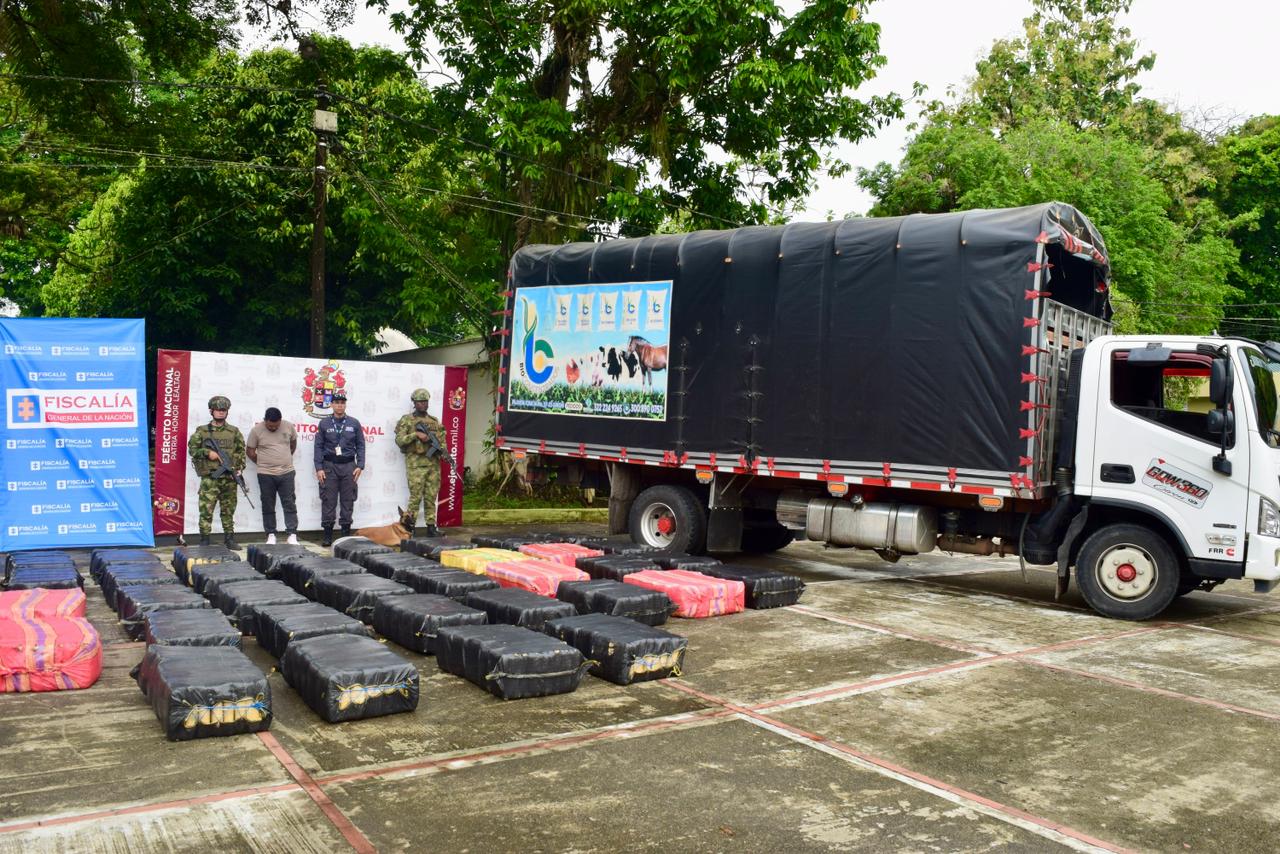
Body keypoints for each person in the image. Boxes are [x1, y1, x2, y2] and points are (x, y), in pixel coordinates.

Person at [187, 395, 246, 548]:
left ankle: (229, 539)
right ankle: (205, 540)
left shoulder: (234, 432)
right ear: (211, 411)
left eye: (224, 410)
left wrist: (238, 468)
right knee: (206, 510)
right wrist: (208, 453)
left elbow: (241, 452)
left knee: (228, 510)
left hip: (229, 478)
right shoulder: (202, 431)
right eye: (218, 410)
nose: (221, 412)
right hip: (210, 479)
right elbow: (192, 450)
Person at [395, 388, 448, 536]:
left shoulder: (434, 421)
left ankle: (431, 528)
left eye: (425, 402)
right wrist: (416, 434)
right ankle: (409, 529)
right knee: (415, 497)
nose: (423, 405)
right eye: (420, 402)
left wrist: (444, 452)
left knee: (431, 497)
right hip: (415, 464)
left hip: (433, 464)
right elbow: (399, 440)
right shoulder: (406, 420)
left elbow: (442, 441)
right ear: (414, 403)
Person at [314, 390, 364, 546]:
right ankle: (327, 536)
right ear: (332, 405)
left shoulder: (354, 423)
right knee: (328, 501)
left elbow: (361, 445)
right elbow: (318, 446)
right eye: (336, 403)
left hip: (349, 466)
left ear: (345, 405)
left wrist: (360, 465)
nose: (339, 406)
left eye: (342, 403)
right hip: (329, 466)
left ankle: (344, 536)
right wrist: (319, 468)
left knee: (347, 501)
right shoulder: (324, 423)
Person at [247, 406, 298, 545]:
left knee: (289, 503)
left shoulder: (288, 426)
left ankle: (292, 534)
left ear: (280, 421)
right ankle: (271, 534)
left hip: (287, 472)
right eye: (270, 426)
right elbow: (250, 451)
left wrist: (284, 458)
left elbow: (293, 444)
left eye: (276, 426)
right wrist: (263, 462)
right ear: (265, 421)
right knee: (268, 504)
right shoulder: (256, 430)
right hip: (265, 474)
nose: (273, 428)